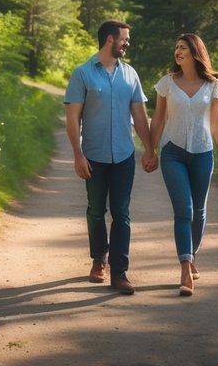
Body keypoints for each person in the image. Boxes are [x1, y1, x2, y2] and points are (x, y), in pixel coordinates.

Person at [64, 19, 152, 295]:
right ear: (109, 40)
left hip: (124, 155)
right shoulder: (82, 74)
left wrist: (150, 149)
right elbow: (73, 117)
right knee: (95, 210)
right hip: (94, 155)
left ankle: (120, 272)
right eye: (124, 39)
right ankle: (98, 258)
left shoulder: (131, 75)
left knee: (122, 213)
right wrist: (78, 154)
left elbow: (139, 116)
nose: (127, 43)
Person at [141, 32, 218, 297]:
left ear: (195, 52)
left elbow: (216, 123)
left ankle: (191, 256)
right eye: (176, 48)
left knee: (199, 211)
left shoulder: (213, 86)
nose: (178, 51)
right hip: (173, 153)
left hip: (203, 153)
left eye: (183, 48)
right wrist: (150, 150)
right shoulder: (167, 84)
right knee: (184, 210)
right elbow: (157, 119)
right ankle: (184, 268)